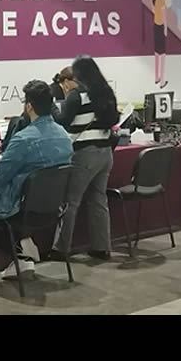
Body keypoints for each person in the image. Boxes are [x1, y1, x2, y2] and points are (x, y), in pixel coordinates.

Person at [0, 80, 73, 279]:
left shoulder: (23, 139)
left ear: (29, 106)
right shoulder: (64, 136)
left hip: (19, 208)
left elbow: (0, 173)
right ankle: (22, 252)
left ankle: (20, 255)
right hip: (53, 208)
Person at [50, 55, 119, 261]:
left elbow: (63, 121)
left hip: (84, 154)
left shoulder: (77, 96)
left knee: (70, 202)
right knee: (98, 199)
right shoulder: (106, 92)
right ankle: (101, 247)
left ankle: (61, 249)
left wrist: (52, 106)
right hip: (106, 153)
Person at [152, 0, 169, 89]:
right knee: (162, 55)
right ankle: (162, 82)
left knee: (157, 52)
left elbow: (153, 9)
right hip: (161, 26)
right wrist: (166, 28)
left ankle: (156, 77)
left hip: (155, 26)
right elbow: (164, 15)